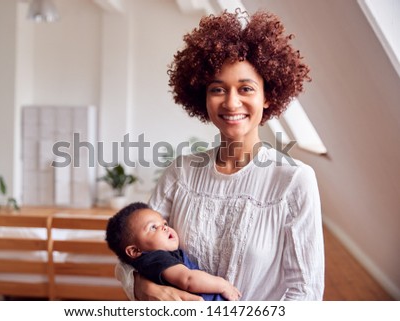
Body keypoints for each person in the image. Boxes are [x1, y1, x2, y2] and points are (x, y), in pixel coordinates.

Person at [116, 9, 325, 301]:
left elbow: (305, 292)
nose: (231, 102)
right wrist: (142, 286)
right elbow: (132, 251)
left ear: (268, 97)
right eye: (218, 89)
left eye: (246, 88)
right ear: (202, 96)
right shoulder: (181, 173)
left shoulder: (293, 180)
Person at [106, 202, 242, 301]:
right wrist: (223, 285)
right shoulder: (157, 258)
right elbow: (188, 280)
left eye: (164, 224)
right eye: (153, 227)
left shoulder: (154, 259)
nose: (164, 228)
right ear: (135, 250)